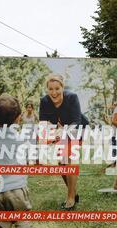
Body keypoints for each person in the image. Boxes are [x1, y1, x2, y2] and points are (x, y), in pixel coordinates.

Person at [0, 94, 32, 228]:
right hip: (16, 189)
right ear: (18, 118)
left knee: (0, 223)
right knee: (22, 219)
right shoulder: (21, 138)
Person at [39, 74, 82, 210]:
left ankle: (70, 198)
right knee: (61, 164)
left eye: (57, 88)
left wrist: (65, 131)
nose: (54, 92)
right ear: (47, 89)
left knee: (68, 160)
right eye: (50, 89)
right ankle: (73, 192)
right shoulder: (44, 101)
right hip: (58, 131)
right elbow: (43, 123)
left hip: (74, 129)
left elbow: (77, 121)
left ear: (62, 87)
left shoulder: (72, 97)